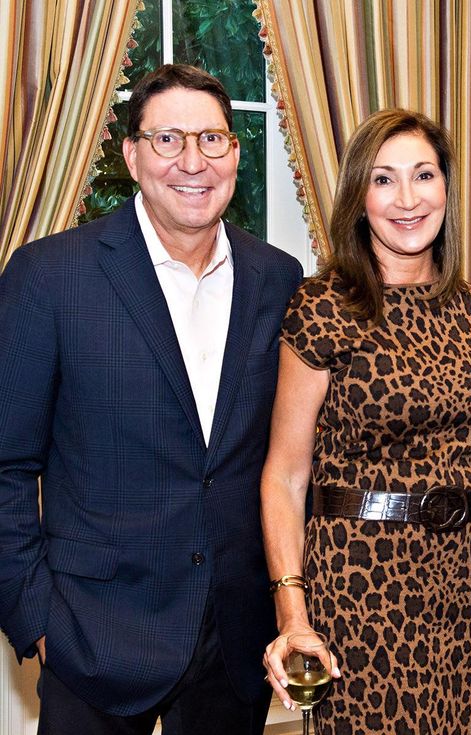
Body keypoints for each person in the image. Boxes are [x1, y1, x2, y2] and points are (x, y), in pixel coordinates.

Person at [0, 64, 303, 733]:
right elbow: (6, 465)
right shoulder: (49, 277)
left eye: (213, 140)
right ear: (132, 154)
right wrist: (37, 620)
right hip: (93, 636)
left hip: (234, 642)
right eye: (168, 139)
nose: (193, 161)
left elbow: (286, 454)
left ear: (236, 153)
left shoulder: (280, 280)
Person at [260, 108, 471, 734]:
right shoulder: (322, 307)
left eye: (424, 175)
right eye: (384, 179)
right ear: (358, 197)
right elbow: (284, 475)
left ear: (446, 187)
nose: (408, 199)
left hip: (468, 583)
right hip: (364, 585)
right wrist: (293, 614)